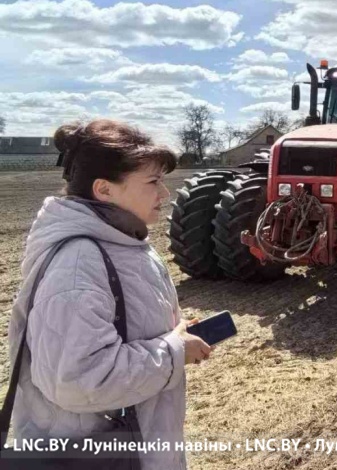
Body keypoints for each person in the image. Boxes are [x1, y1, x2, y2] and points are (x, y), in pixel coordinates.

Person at [6, 119, 212, 469]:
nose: (164, 194)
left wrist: (173, 337)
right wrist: (175, 350)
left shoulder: (122, 242)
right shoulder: (77, 265)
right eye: (153, 182)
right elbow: (79, 379)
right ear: (104, 190)